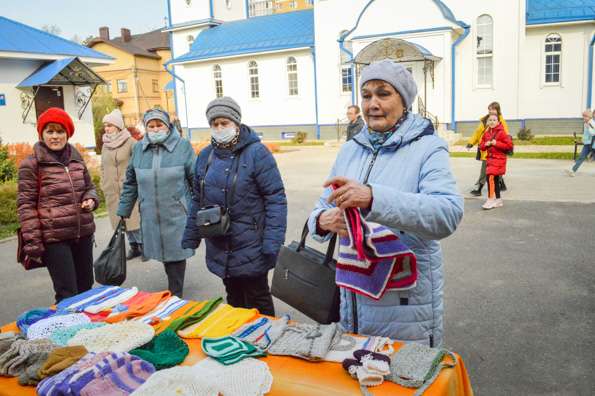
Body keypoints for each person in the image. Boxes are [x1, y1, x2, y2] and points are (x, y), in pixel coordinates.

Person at [307, 60, 463, 346]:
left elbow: (447, 213)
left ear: (403, 101)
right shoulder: (351, 149)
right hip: (352, 303)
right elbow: (322, 206)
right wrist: (322, 221)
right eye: (366, 96)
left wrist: (373, 197)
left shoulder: (428, 147)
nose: (372, 104)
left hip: (404, 309)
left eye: (383, 94)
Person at [181, 97, 287, 316]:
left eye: (225, 123)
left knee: (258, 298)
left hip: (252, 244)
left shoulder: (257, 153)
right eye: (215, 124)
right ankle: (239, 343)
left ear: (236, 123)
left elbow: (275, 199)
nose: (220, 128)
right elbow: (197, 199)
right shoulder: (205, 156)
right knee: (234, 298)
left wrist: (272, 242)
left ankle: (268, 341)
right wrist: (191, 235)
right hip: (220, 242)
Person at [17, 108, 99, 303]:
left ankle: (87, 331)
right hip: (55, 239)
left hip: (83, 234)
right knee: (67, 293)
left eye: (60, 131)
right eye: (50, 131)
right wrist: (33, 242)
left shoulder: (77, 159)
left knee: (86, 287)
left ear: (67, 133)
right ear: (42, 134)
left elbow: (90, 187)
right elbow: (26, 206)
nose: (55, 136)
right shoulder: (32, 164)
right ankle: (66, 330)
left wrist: (91, 200)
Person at [117, 108, 195, 298]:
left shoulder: (183, 147)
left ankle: (176, 294)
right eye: (151, 126)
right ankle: (173, 286)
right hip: (151, 212)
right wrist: (124, 209)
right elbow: (131, 182)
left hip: (177, 212)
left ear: (167, 127)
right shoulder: (138, 149)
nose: (155, 129)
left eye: (159, 125)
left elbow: (196, 180)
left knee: (176, 253)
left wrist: (197, 210)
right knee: (163, 252)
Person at [100, 109, 142, 260]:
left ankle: (143, 245)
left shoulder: (131, 142)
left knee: (134, 219)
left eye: (110, 125)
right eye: (105, 125)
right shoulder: (105, 145)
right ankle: (133, 247)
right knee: (120, 221)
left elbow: (139, 164)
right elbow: (103, 166)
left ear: (118, 126)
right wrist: (103, 183)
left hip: (129, 189)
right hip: (111, 189)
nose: (107, 128)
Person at [466, 102, 509, 196]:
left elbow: (505, 136)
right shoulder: (485, 120)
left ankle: (496, 185)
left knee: (494, 170)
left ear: (498, 110)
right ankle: (481, 189)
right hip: (486, 150)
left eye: (493, 109)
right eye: (489, 109)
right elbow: (477, 132)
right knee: (485, 170)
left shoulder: (501, 122)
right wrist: (471, 142)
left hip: (497, 151)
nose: (491, 111)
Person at [479, 114, 513, 209]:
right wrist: (485, 144)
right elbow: (481, 146)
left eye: (494, 120)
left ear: (498, 122)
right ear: (487, 122)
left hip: (499, 159)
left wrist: (496, 143)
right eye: (490, 120)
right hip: (490, 159)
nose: (492, 122)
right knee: (495, 179)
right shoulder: (486, 133)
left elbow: (509, 146)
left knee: (490, 177)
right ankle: (498, 200)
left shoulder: (502, 132)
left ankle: (490, 200)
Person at [566, 110, 595, 177]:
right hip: (587, 144)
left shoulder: (591, 123)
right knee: (581, 157)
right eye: (583, 116)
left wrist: (589, 128)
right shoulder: (586, 123)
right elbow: (586, 135)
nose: (583, 118)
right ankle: (573, 171)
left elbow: (593, 133)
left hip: (592, 144)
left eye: (585, 116)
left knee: (584, 157)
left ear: (589, 117)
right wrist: (583, 140)